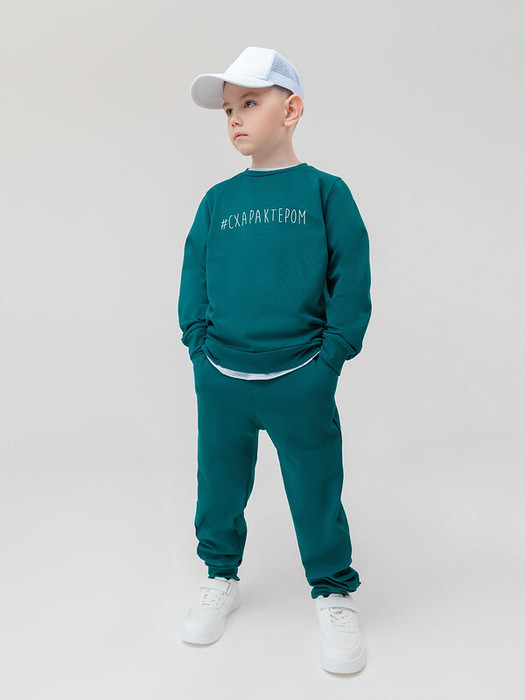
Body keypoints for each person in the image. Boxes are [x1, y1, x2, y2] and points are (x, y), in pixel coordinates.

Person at [177, 46, 372, 675]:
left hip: (300, 376)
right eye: (228, 110)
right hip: (222, 375)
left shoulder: (325, 192)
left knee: (316, 487)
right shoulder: (217, 200)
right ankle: (219, 575)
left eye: (249, 103)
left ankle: (333, 592)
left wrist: (330, 360)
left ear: (291, 111)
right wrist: (198, 346)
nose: (235, 118)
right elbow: (193, 275)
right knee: (219, 484)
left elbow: (352, 280)